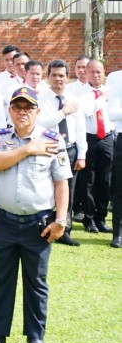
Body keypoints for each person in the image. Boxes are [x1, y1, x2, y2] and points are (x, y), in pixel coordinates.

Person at [0, 87, 71, 343]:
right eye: (17, 107)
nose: (22, 112)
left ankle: (35, 336)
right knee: (1, 280)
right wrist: (28, 149)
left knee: (36, 281)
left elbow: (61, 183)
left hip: (38, 223)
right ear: (10, 110)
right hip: (5, 222)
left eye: (28, 107)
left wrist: (61, 220)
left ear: (37, 111)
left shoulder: (52, 140)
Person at [37, 59, 87, 246]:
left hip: (70, 150)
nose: (58, 79)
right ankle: (46, 226)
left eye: (61, 75)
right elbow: (40, 124)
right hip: (49, 149)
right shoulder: (40, 99)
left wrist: (82, 154)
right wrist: (63, 113)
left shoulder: (75, 100)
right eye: (54, 75)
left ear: (67, 77)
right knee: (47, 190)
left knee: (69, 192)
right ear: (48, 77)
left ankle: (64, 230)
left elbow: (80, 130)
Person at [76, 60, 114, 234]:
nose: (95, 75)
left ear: (104, 72)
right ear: (86, 73)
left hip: (106, 137)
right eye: (92, 72)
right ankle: (89, 218)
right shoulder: (82, 93)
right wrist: (102, 99)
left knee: (104, 180)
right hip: (89, 138)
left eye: (99, 71)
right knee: (88, 180)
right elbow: (88, 111)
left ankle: (101, 217)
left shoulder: (111, 90)